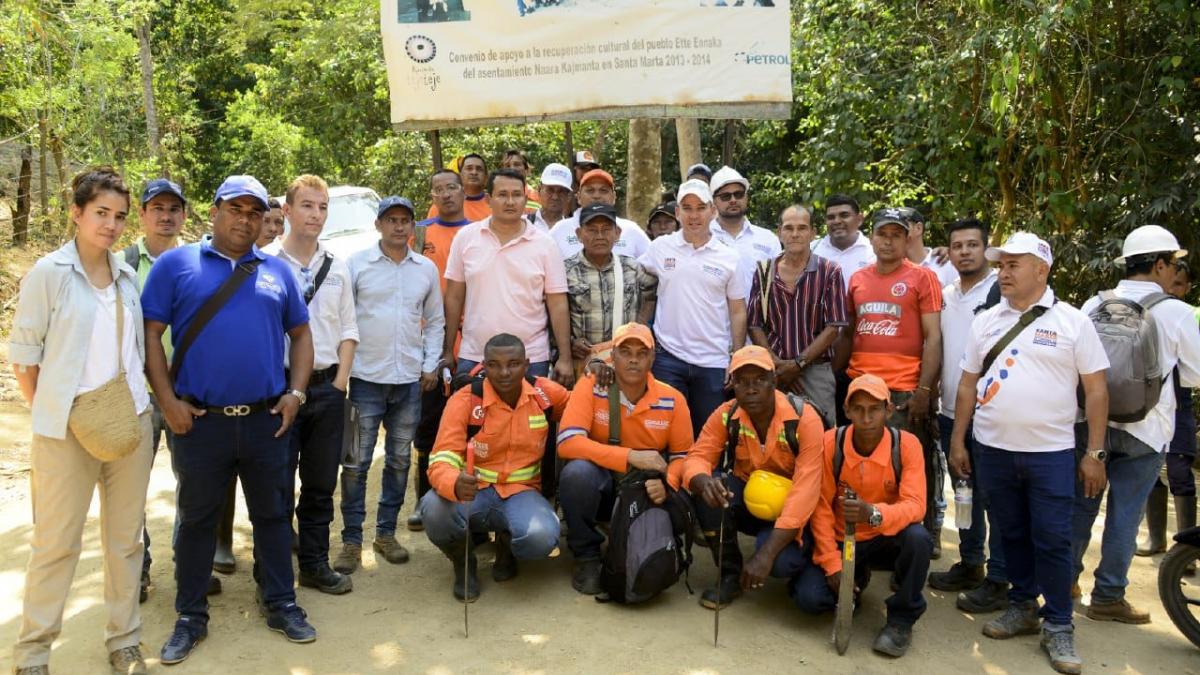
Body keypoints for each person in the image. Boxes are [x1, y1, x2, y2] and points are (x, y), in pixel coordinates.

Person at [142, 175, 318, 664]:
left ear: (265, 218)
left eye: (254, 212)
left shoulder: (277, 272)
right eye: (235, 209)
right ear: (215, 211)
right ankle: (190, 616)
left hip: (265, 420)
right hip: (200, 422)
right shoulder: (176, 265)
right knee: (197, 520)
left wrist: (296, 393)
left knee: (273, 516)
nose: (245, 219)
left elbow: (301, 335)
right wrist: (167, 401)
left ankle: (282, 602)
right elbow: (150, 335)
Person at [9, 167, 155, 675]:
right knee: (55, 544)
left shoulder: (127, 276)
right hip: (65, 432)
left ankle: (124, 639)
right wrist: (54, 415)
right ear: (76, 212)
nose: (111, 225)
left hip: (130, 421)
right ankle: (33, 654)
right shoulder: (49, 274)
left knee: (126, 540)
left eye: (118, 216)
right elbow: (24, 360)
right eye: (100, 213)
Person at [948, 232, 1109, 675]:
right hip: (993, 450)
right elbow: (967, 384)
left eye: (1014, 265)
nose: (1003, 272)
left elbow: (1095, 390)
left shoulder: (1073, 322)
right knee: (1010, 532)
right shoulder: (986, 321)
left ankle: (1058, 623)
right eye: (1001, 265)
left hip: (1051, 454)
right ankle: (1021, 605)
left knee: (1053, 540)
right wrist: (958, 440)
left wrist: (1094, 452)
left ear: (1042, 270)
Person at [1071, 225, 1200, 624]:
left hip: (1091, 424)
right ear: (1160, 264)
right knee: (1125, 514)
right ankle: (1108, 597)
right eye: (1172, 263)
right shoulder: (1176, 311)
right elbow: (1195, 374)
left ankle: (1063, 581)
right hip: (1147, 428)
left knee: (1081, 507)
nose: (1173, 270)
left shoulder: (1094, 304)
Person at [335, 196, 445, 574]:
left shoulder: (425, 269)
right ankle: (351, 541)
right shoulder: (356, 265)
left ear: (414, 226)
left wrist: (430, 365)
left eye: (405, 220)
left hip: (409, 382)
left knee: (399, 461)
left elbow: (435, 321)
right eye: (391, 220)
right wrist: (343, 370)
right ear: (379, 225)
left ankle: (385, 533)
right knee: (354, 462)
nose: (399, 226)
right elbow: (343, 320)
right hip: (363, 379)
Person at [263, 174, 359, 595]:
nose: (315, 215)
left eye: (322, 207)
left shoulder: (336, 265)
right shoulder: (264, 263)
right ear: (287, 211)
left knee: (320, 483)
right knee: (277, 484)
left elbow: (349, 329)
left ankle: (315, 563)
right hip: (278, 390)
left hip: (326, 389)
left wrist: (339, 382)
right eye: (306, 206)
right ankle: (274, 570)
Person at [419, 333, 570, 600]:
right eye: (494, 364)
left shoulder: (546, 395)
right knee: (433, 510)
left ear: (527, 364)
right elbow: (441, 457)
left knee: (542, 538)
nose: (504, 372)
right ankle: (463, 562)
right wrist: (454, 481)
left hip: (522, 493)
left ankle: (506, 545)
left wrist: (596, 375)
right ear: (484, 366)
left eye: (513, 364)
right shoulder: (465, 400)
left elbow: (582, 406)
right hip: (473, 492)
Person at [793, 374, 932, 658]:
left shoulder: (906, 445)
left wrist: (874, 513)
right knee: (809, 599)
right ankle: (855, 577)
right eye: (858, 409)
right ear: (847, 411)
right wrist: (832, 565)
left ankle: (901, 620)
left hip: (885, 538)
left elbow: (916, 505)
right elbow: (819, 507)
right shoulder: (831, 442)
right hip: (842, 540)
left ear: (889, 410)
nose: (866, 418)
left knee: (919, 538)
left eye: (875, 409)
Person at [556, 323, 693, 594]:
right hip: (603, 483)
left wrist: (668, 484)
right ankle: (587, 556)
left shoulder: (672, 399)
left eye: (642, 353)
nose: (633, 359)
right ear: (613, 356)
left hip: (645, 490)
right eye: (625, 352)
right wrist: (630, 456)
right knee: (577, 474)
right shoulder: (591, 386)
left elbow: (683, 457)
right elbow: (567, 442)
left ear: (653, 359)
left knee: (685, 493)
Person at [684, 346, 825, 608]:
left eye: (759, 380)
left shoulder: (805, 419)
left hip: (796, 513)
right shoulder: (727, 414)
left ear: (775, 380)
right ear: (732, 384)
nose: (751, 389)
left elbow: (805, 494)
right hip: (751, 500)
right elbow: (696, 458)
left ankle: (809, 561)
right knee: (709, 490)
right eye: (742, 381)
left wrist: (767, 554)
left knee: (780, 563)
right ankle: (729, 575)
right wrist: (703, 482)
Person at [925, 219, 1007, 612]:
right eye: (957, 246)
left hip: (991, 414)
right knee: (964, 494)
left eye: (972, 245)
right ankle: (971, 562)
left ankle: (1000, 576)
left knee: (995, 497)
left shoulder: (1001, 292)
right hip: (950, 410)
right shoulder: (947, 294)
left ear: (986, 249)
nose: (964, 252)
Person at [846, 208, 942, 535]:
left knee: (907, 469)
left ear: (907, 239)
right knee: (862, 467)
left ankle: (918, 539)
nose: (888, 242)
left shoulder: (922, 277)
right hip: (860, 386)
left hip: (902, 392)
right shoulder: (858, 279)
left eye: (896, 235)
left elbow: (933, 337)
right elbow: (849, 333)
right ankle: (868, 536)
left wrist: (925, 391)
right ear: (871, 238)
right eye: (882, 235)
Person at [443, 168, 575, 385]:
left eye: (517, 194)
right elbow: (454, 297)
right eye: (502, 195)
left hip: (531, 357)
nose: (510, 201)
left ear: (526, 199)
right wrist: (448, 350)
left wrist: (565, 357)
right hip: (476, 355)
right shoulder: (465, 238)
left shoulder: (545, 244)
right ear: (488, 199)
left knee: (532, 419)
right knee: (475, 418)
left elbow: (558, 303)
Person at [638, 179, 749, 435]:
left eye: (700, 207)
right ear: (677, 213)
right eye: (687, 208)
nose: (694, 215)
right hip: (668, 358)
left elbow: (737, 309)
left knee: (708, 435)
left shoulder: (729, 256)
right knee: (662, 433)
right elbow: (636, 278)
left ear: (712, 211)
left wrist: (737, 355)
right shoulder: (659, 248)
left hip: (713, 361)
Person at [122, 177, 187, 602]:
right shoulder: (122, 266)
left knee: (194, 487)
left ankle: (189, 565)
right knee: (130, 489)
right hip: (136, 396)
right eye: (156, 208)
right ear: (142, 215)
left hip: (186, 394)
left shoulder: (198, 262)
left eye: (173, 209)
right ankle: (137, 571)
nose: (165, 216)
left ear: (183, 214)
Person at [409, 169, 472, 532]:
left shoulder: (477, 232)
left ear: (463, 191)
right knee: (427, 421)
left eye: (452, 187)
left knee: (469, 421)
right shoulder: (419, 232)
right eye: (439, 189)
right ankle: (422, 499)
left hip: (470, 340)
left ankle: (466, 494)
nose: (446, 194)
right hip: (427, 339)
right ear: (431, 193)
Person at [747, 204, 847, 426]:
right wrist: (776, 365)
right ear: (779, 232)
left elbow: (834, 327)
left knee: (821, 434)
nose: (795, 234)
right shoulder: (764, 272)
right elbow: (754, 325)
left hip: (815, 372)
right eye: (788, 228)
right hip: (773, 373)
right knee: (772, 435)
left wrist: (797, 364)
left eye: (802, 228)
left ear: (813, 232)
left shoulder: (830, 271)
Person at [1137, 261, 1197, 561]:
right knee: (1151, 474)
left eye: (1180, 284)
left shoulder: (1187, 317)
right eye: (1170, 283)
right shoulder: (1149, 313)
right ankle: (1156, 538)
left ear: (1187, 287)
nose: (1173, 289)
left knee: (1179, 472)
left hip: (1180, 409)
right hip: (1147, 411)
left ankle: (1186, 551)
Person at [564, 203, 658, 372]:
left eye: (606, 229)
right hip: (584, 363)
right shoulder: (566, 271)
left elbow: (652, 293)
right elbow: (551, 314)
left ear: (617, 233)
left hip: (626, 363)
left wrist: (640, 329)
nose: (599, 236)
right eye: (592, 230)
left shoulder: (632, 267)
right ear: (579, 234)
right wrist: (570, 342)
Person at [708, 166, 782, 294]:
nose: (733, 200)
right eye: (725, 196)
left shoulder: (768, 239)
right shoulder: (703, 238)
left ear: (746, 198)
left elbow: (779, 286)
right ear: (714, 201)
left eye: (738, 194)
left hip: (759, 314)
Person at [549, 169, 651, 260]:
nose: (597, 196)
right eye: (590, 190)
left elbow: (653, 264)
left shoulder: (631, 229)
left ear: (614, 197)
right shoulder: (560, 230)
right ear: (579, 197)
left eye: (603, 190)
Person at [813, 194, 876, 292]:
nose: (837, 221)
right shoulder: (812, 250)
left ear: (859, 219)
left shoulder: (873, 252)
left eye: (844, 215)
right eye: (831, 217)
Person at [901, 207, 958, 288]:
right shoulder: (888, 265)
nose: (896, 233)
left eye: (901, 227)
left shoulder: (945, 263)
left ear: (918, 228)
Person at [427, 154, 490, 222]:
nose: (474, 172)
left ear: (486, 178)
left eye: (479, 169)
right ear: (460, 175)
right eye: (469, 168)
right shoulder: (443, 205)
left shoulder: (494, 204)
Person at [530, 162, 572, 232]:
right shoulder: (524, 224)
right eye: (550, 190)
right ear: (539, 190)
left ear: (568, 196)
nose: (555, 197)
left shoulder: (574, 230)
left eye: (561, 192)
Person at [500, 148, 541, 213]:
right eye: (507, 166)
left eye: (517, 164)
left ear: (527, 170)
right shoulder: (495, 197)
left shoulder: (539, 198)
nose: (512, 168)